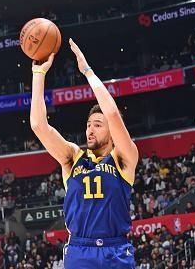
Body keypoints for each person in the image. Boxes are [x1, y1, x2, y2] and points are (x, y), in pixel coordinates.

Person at [30, 39, 139, 268]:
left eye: (98, 125)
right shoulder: (72, 157)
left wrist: (87, 72)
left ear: (111, 131)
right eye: (89, 124)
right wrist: (38, 74)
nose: (90, 129)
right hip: (79, 250)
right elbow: (39, 126)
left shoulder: (124, 158)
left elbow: (112, 114)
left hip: (115, 251)